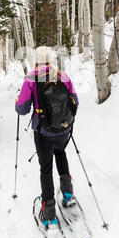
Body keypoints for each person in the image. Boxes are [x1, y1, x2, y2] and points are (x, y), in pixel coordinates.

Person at [15, 46, 79, 228]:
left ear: (35, 60)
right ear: (51, 59)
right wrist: (66, 121)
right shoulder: (62, 76)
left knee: (46, 169)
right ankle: (68, 194)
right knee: (61, 153)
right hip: (64, 130)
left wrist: (18, 103)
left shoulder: (30, 79)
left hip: (43, 132)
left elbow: (22, 109)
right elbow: (75, 102)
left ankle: (49, 212)